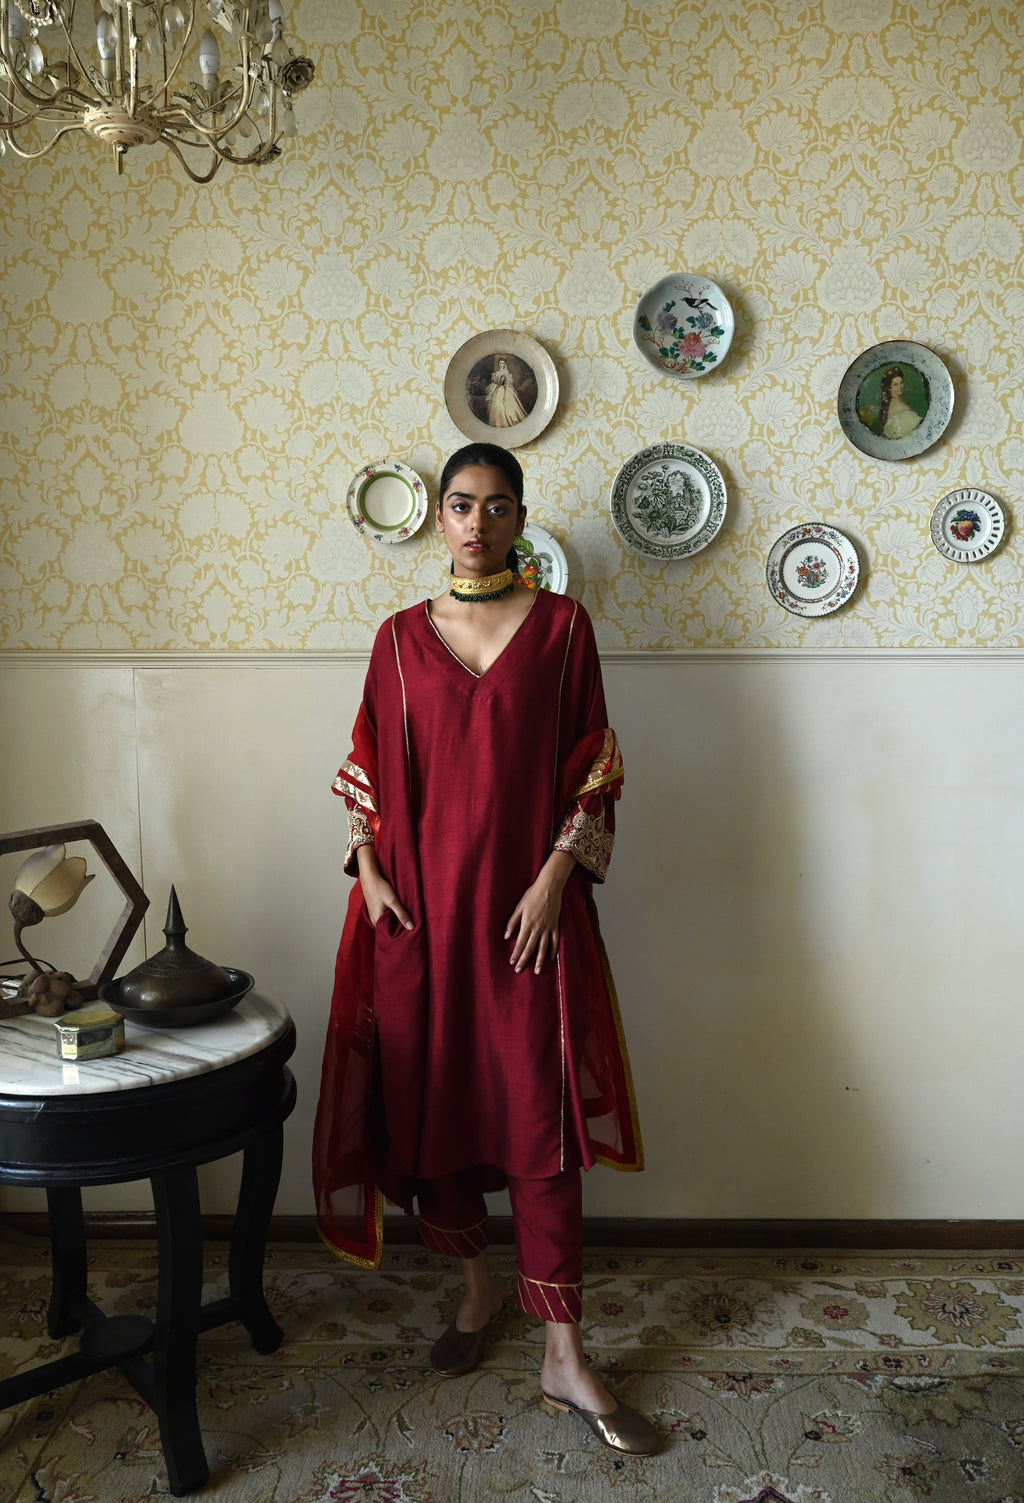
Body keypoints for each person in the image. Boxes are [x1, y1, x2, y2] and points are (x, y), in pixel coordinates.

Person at [313, 442, 654, 1456]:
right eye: (460, 505)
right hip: (418, 925)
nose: (475, 523)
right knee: (436, 1120)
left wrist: (556, 879)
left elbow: (594, 768)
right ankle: (473, 1296)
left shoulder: (560, 630)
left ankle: (564, 1352)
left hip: (525, 930)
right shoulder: (398, 639)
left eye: (496, 507)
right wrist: (367, 870)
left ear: (518, 519)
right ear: (437, 518)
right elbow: (365, 765)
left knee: (540, 1132)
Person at [876, 366, 923, 440]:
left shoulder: (893, 402)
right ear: (889, 388)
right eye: (895, 384)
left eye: (901, 383)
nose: (900, 387)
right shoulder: (898, 406)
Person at [485, 355, 528, 428]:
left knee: (506, 405)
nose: (501, 365)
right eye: (500, 363)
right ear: (499, 364)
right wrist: (496, 383)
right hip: (497, 389)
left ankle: (505, 422)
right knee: (496, 405)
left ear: (505, 364)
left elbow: (509, 383)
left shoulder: (506, 373)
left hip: (504, 390)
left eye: (502, 363)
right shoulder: (497, 373)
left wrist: (504, 382)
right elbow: (495, 382)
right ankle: (496, 423)